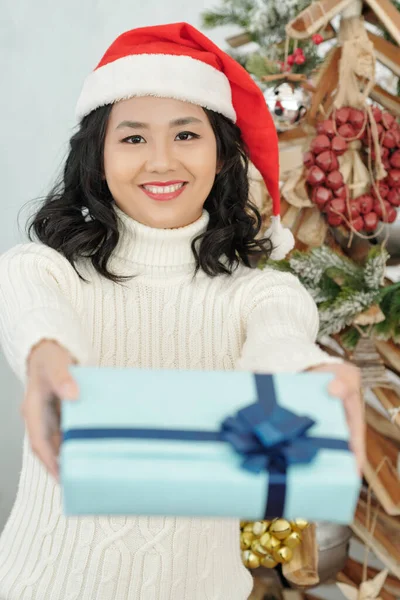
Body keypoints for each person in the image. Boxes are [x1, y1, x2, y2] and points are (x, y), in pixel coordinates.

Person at [0, 22, 364, 600]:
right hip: (43, 585)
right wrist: (47, 355)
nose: (162, 162)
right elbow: (36, 314)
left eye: (187, 135)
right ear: (97, 158)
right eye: (134, 138)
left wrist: (309, 379)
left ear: (221, 155)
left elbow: (280, 341)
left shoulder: (259, 291)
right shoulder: (45, 268)